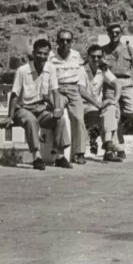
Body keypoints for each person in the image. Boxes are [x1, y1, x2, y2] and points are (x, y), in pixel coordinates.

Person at [1, 39, 72, 170]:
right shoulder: (22, 70)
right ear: (33, 53)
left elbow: (55, 91)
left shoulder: (50, 68)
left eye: (45, 54)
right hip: (23, 108)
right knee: (31, 120)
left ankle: (60, 156)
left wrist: (57, 108)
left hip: (41, 107)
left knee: (60, 119)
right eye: (39, 53)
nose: (42, 57)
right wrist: (10, 116)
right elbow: (15, 94)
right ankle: (36, 156)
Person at [101, 22, 133, 160]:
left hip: (126, 83)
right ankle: (115, 150)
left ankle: (119, 119)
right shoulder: (103, 51)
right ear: (108, 34)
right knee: (112, 115)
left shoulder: (129, 49)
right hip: (110, 84)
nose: (114, 35)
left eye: (117, 32)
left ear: (121, 34)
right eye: (112, 32)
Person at [48, 29, 88, 165]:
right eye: (62, 40)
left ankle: (80, 153)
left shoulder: (76, 56)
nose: (65, 43)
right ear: (57, 42)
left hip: (73, 89)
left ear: (72, 42)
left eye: (68, 41)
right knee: (58, 114)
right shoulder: (51, 56)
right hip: (57, 89)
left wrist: (80, 89)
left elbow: (81, 74)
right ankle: (58, 148)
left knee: (79, 118)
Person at [80, 45, 123, 163]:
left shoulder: (103, 70)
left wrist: (115, 100)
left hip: (97, 107)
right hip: (83, 106)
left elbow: (117, 83)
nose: (96, 60)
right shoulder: (82, 70)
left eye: (99, 57)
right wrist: (98, 104)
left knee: (111, 108)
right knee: (107, 108)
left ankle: (108, 148)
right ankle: (111, 146)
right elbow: (82, 91)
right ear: (88, 57)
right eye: (93, 57)